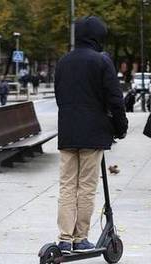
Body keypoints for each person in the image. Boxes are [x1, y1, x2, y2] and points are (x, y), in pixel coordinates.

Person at [54, 16, 128, 254]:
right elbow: (115, 99)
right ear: (99, 36)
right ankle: (80, 238)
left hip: (68, 131)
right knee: (86, 186)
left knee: (66, 185)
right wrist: (120, 127)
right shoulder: (101, 61)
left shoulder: (63, 61)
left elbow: (59, 96)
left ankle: (64, 238)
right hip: (93, 133)